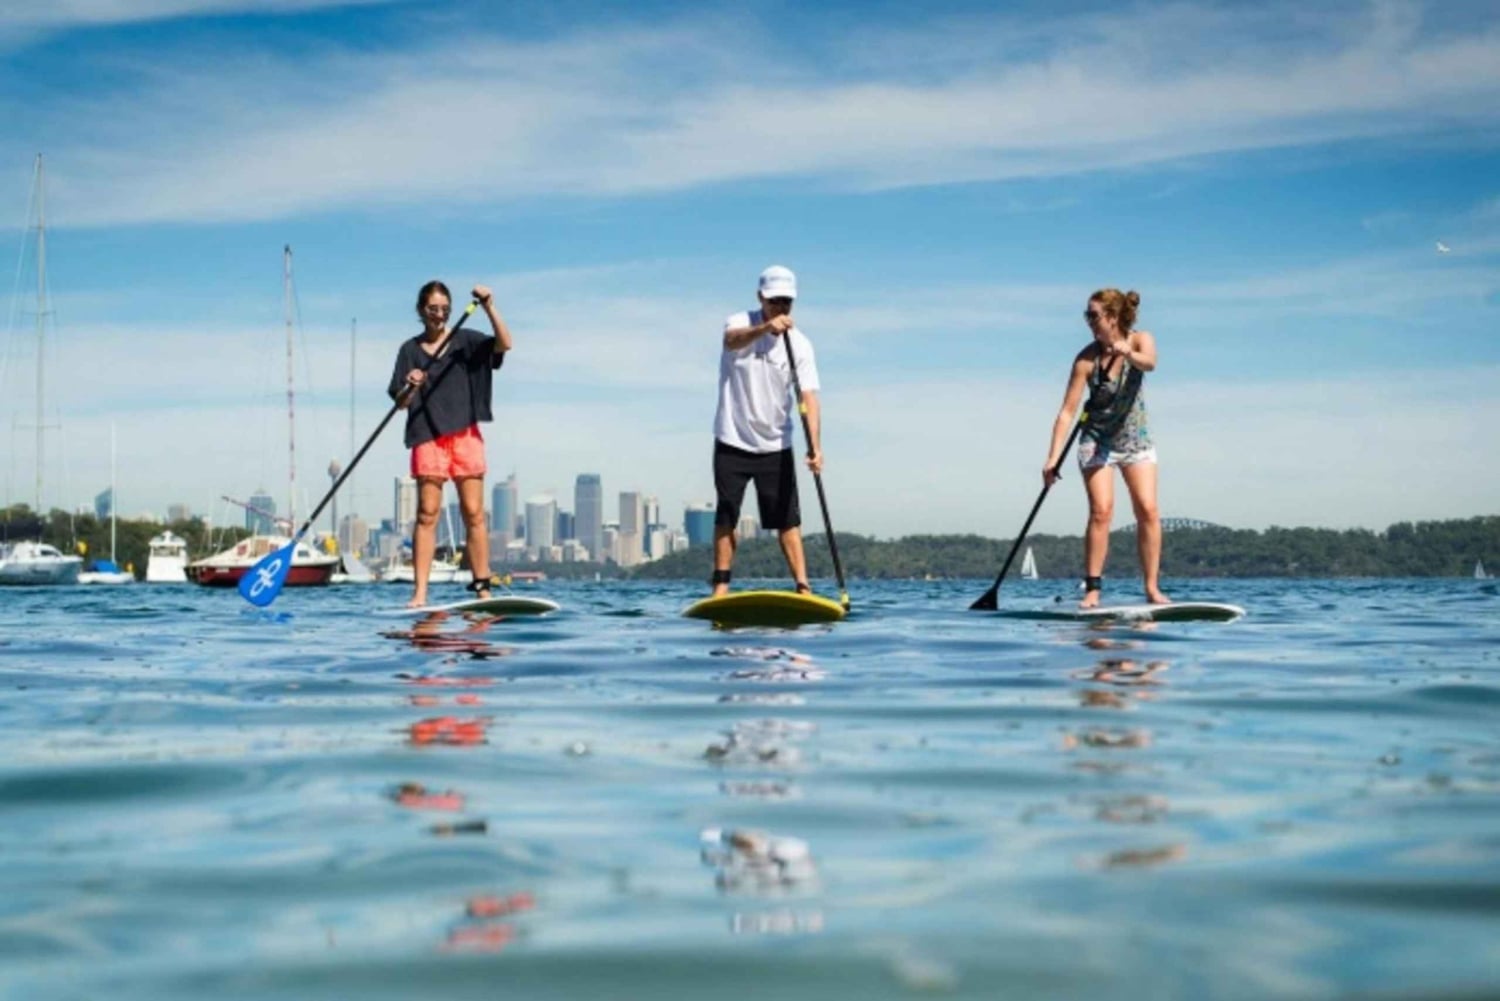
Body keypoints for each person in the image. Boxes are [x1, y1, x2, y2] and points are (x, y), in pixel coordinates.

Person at [388, 280, 513, 608]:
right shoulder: (409, 351)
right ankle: (420, 593)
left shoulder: (466, 341)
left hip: (464, 436)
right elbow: (400, 402)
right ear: (421, 311)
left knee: (474, 513)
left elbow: (505, 344)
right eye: (433, 309)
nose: (439, 315)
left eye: (445, 309)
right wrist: (411, 386)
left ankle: (482, 587)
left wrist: (488, 306)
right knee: (427, 514)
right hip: (427, 436)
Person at [1043, 288, 1168, 608]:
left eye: (1093, 315)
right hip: (1097, 439)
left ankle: (1152, 589)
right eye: (1087, 315)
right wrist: (1052, 458)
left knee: (1148, 511)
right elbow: (1067, 412)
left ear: (1112, 318)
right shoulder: (1086, 359)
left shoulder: (1140, 340)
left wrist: (1126, 352)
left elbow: (1150, 364)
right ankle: (1093, 590)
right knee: (1102, 511)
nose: (1089, 321)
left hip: (1135, 439)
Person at [709, 265, 822, 596]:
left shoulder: (800, 345)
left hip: (776, 443)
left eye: (787, 302)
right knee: (727, 515)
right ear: (761, 297)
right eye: (775, 301)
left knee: (787, 521)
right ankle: (720, 588)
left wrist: (815, 447)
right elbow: (730, 342)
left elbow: (809, 398)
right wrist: (764, 328)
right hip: (732, 438)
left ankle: (803, 587)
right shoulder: (739, 323)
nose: (781, 309)